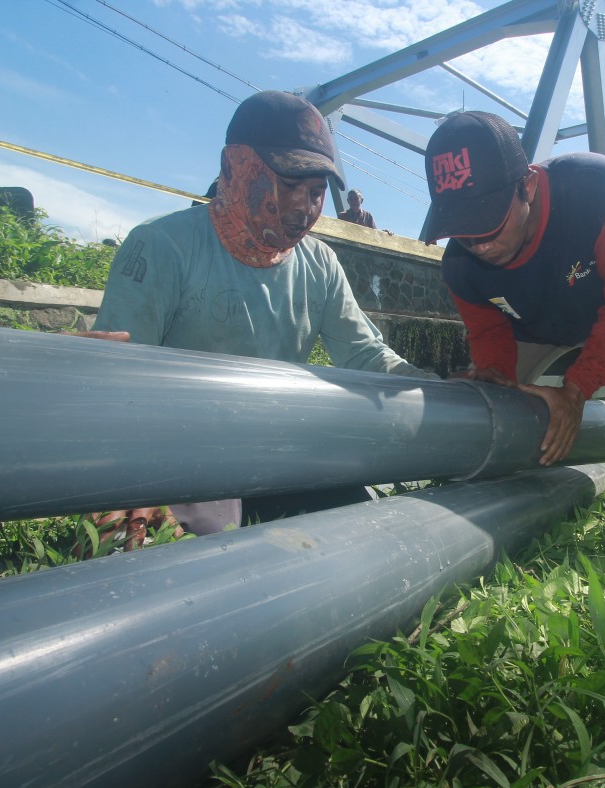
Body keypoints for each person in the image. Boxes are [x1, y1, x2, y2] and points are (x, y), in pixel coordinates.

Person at [85, 90, 434, 551]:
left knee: (362, 532)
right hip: (174, 452)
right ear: (234, 167)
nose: (304, 208)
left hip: (274, 449)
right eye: (288, 183)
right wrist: (133, 477)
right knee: (141, 550)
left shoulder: (320, 264)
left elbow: (364, 352)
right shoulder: (161, 247)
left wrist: (428, 386)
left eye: (315, 192)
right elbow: (118, 377)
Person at [421, 110, 605, 532]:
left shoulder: (598, 190)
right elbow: (488, 331)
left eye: (488, 222)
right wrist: (495, 376)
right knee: (482, 400)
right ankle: (453, 490)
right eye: (462, 229)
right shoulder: (460, 267)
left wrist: (575, 391)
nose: (478, 244)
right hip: (532, 328)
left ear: (528, 187)